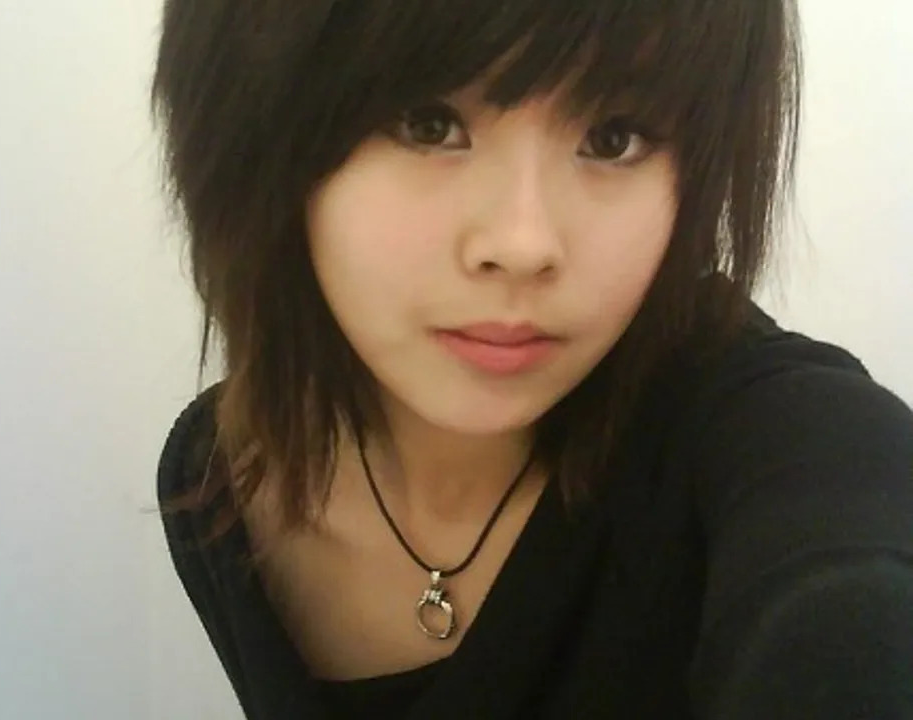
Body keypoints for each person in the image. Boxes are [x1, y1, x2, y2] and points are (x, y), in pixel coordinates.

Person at [152, 1, 913, 717]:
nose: (524, 244)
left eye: (614, 137)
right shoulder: (221, 481)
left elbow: (851, 583)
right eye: (428, 124)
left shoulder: (752, 429)